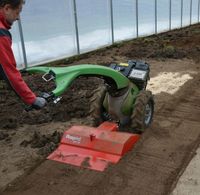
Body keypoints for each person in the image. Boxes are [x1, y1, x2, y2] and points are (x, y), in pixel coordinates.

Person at [0, 0, 46, 109]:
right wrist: (32, 99)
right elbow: (9, 71)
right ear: (7, 8)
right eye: (18, 12)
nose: (18, 18)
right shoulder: (1, 33)